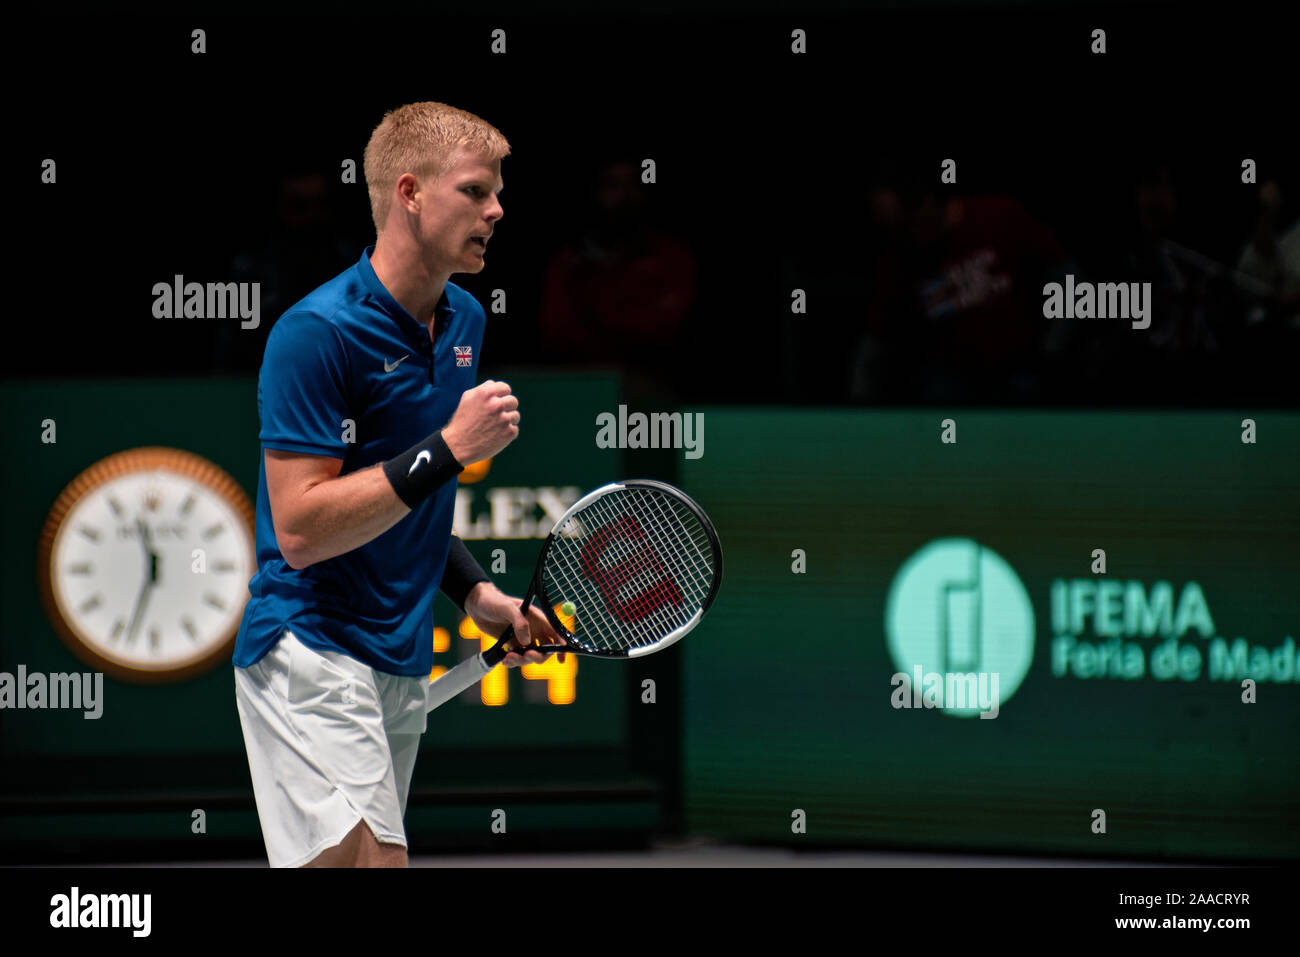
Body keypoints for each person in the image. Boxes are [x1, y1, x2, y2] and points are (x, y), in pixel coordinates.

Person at [232, 102, 562, 868]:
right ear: (409, 192)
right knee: (374, 862)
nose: (497, 209)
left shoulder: (464, 322)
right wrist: (449, 447)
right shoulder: (317, 334)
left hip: (400, 653)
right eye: (476, 191)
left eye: (498, 192)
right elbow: (304, 531)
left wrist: (479, 595)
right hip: (310, 640)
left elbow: (402, 503)